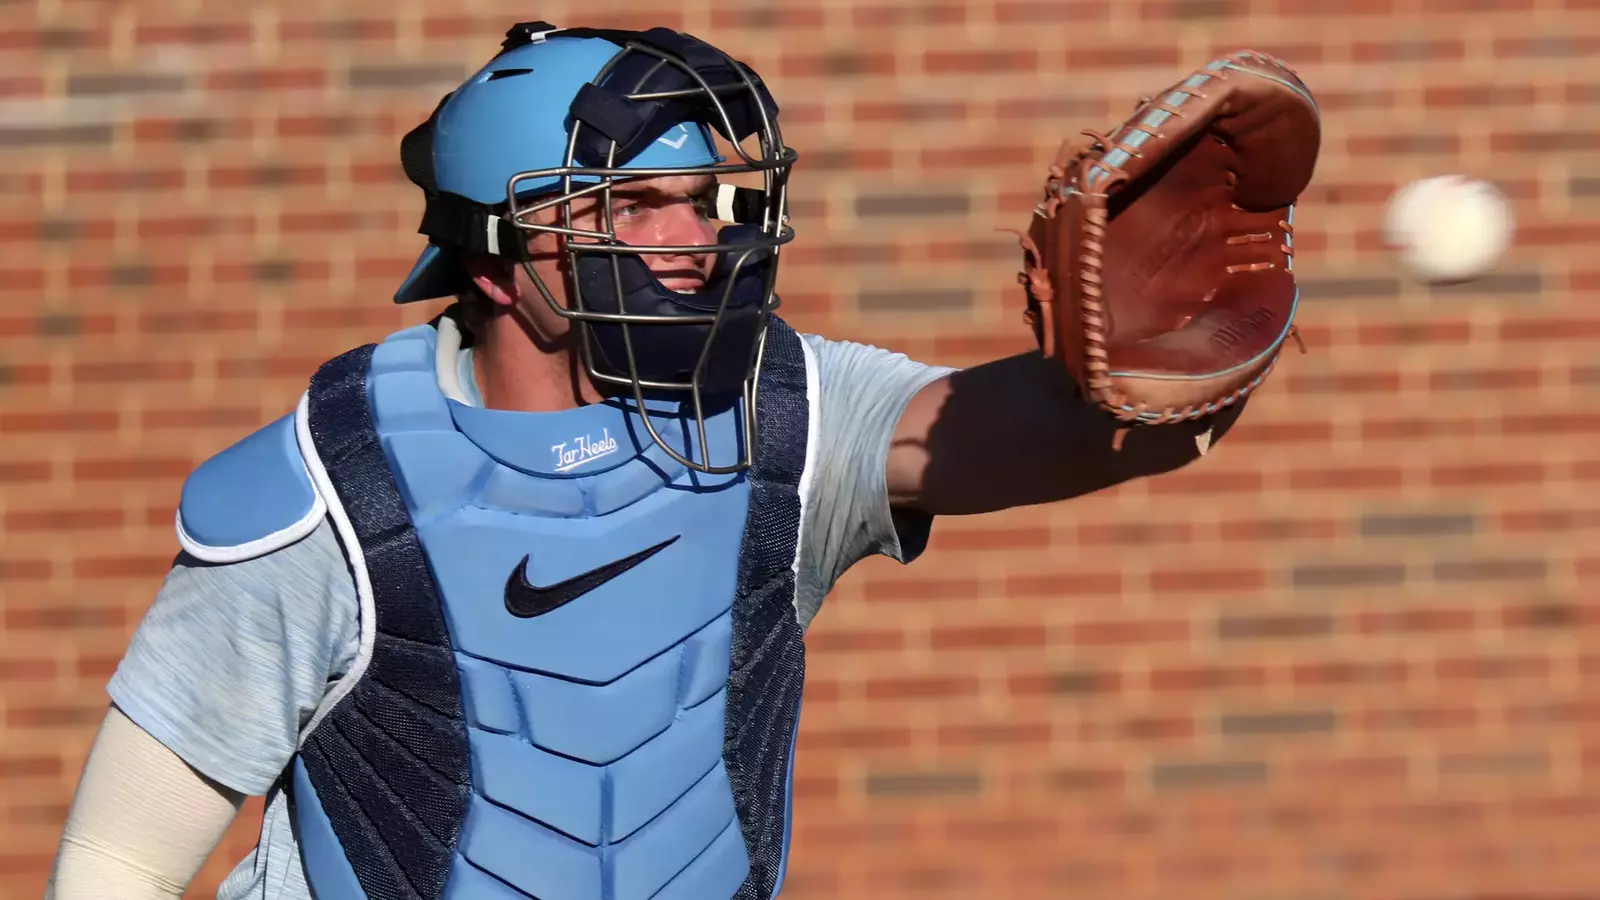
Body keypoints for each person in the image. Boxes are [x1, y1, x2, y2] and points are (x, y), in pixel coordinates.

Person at [44, 22, 1238, 900]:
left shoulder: (784, 410)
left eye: (709, 198)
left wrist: (1175, 344)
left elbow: (1068, 433)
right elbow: (116, 861)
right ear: (495, 251)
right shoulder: (335, 486)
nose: (696, 239)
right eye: (633, 206)